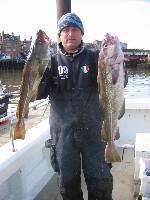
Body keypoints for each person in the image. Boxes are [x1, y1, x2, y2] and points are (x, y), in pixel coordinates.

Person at [37, 12, 128, 200]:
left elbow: (120, 81)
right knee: (68, 185)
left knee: (101, 182)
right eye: (66, 30)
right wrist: (37, 74)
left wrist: (118, 63)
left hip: (95, 132)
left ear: (82, 34)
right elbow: (38, 94)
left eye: (75, 29)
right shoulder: (51, 62)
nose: (71, 34)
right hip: (63, 135)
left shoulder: (97, 57)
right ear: (60, 35)